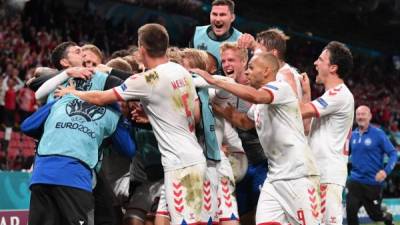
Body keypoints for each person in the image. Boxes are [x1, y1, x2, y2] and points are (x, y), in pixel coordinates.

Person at [55, 23, 208, 225]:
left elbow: (101, 98)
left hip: (180, 163)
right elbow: (195, 116)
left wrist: (72, 92)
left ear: (141, 49)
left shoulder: (147, 79)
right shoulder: (181, 71)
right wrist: (156, 117)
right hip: (192, 156)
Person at [191, 52, 320, 225]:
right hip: (274, 177)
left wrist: (214, 80)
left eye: (251, 67)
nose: (246, 72)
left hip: (298, 174)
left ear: (266, 70)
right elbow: (244, 121)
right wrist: (219, 108)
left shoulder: (281, 88)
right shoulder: (259, 105)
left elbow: (256, 96)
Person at [28, 41, 135, 225]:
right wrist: (65, 74)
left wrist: (105, 73)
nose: (88, 66)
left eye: (94, 64)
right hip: (72, 166)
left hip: (88, 166)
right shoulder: (62, 84)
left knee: (109, 214)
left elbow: (136, 81)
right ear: (67, 63)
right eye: (84, 61)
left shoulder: (104, 87)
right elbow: (35, 83)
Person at [300, 41, 354, 225]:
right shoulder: (327, 99)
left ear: (333, 67)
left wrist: (280, 89)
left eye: (320, 59)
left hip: (328, 175)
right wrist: (306, 93)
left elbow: (298, 111)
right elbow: (306, 128)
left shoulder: (340, 94)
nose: (315, 63)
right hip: (318, 172)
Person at [219, 42, 268, 225]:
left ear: (243, 62)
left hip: (263, 162)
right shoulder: (222, 88)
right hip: (238, 164)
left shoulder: (259, 89)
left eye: (231, 60)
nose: (226, 65)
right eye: (223, 61)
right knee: (241, 214)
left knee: (264, 213)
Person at [346, 105, 397, 225]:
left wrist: (385, 172)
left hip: (372, 184)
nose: (360, 117)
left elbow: (393, 154)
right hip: (354, 182)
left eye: (363, 114)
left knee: (376, 216)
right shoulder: (352, 135)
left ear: (370, 116)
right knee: (351, 214)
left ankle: (387, 217)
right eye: (358, 114)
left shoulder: (378, 134)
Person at [191, 0, 242, 72]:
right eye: (214, 14)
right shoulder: (196, 34)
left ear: (232, 17)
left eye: (222, 15)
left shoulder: (241, 40)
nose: (218, 19)